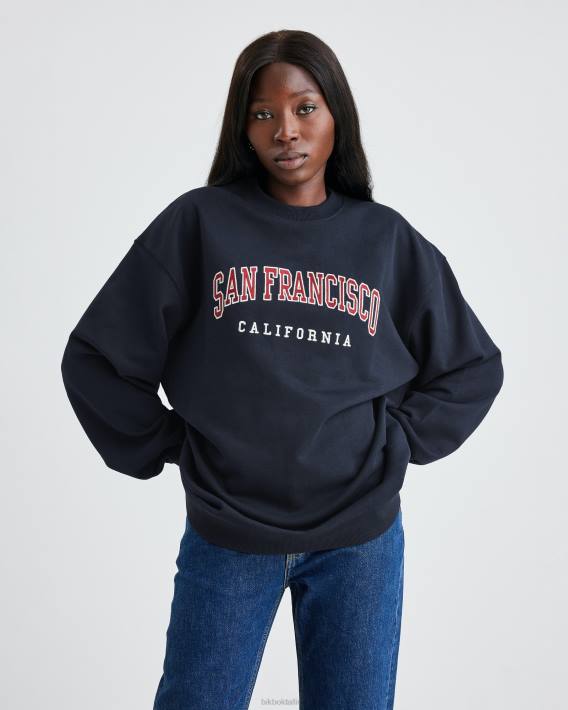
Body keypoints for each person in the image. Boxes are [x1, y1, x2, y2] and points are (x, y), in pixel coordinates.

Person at [60, 29, 504, 710]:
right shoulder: (199, 224)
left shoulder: (385, 240)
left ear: (336, 116)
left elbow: (471, 365)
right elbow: (96, 356)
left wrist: (396, 440)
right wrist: (170, 443)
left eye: (305, 108)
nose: (285, 130)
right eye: (263, 113)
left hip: (360, 538)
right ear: (242, 128)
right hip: (229, 531)